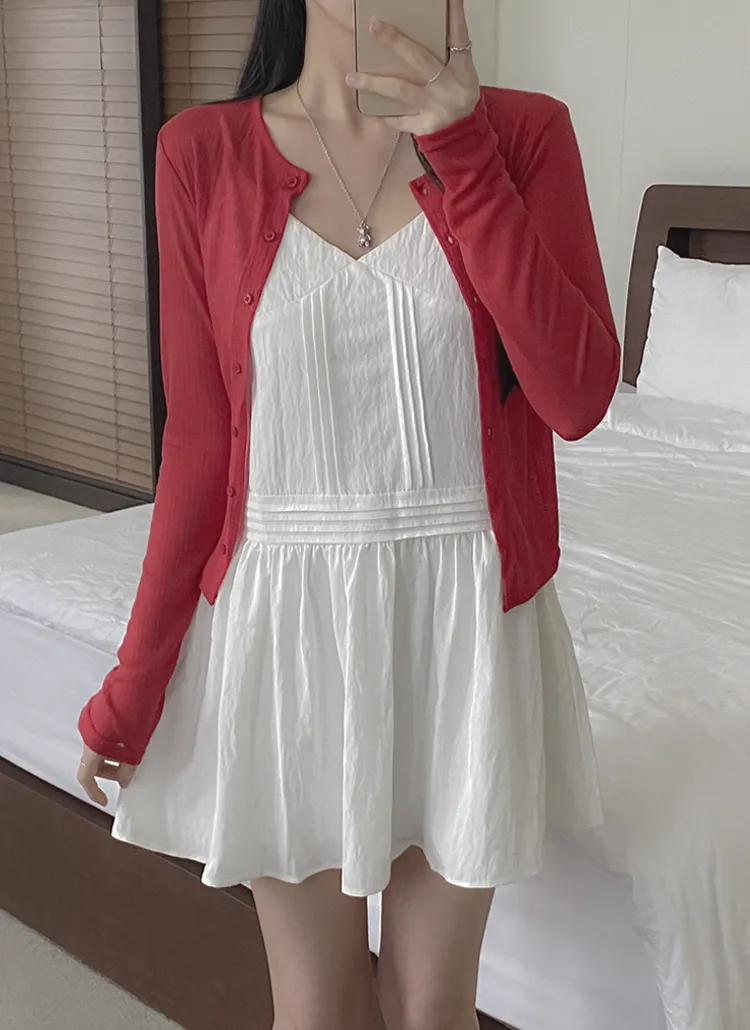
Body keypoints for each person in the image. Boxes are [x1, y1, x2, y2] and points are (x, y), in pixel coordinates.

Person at [76, 0, 620, 1027]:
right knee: (318, 1010)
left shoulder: (524, 133)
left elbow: (578, 396)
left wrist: (463, 148)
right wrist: (135, 686)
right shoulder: (201, 152)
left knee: (432, 1011)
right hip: (285, 627)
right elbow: (198, 447)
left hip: (468, 626)